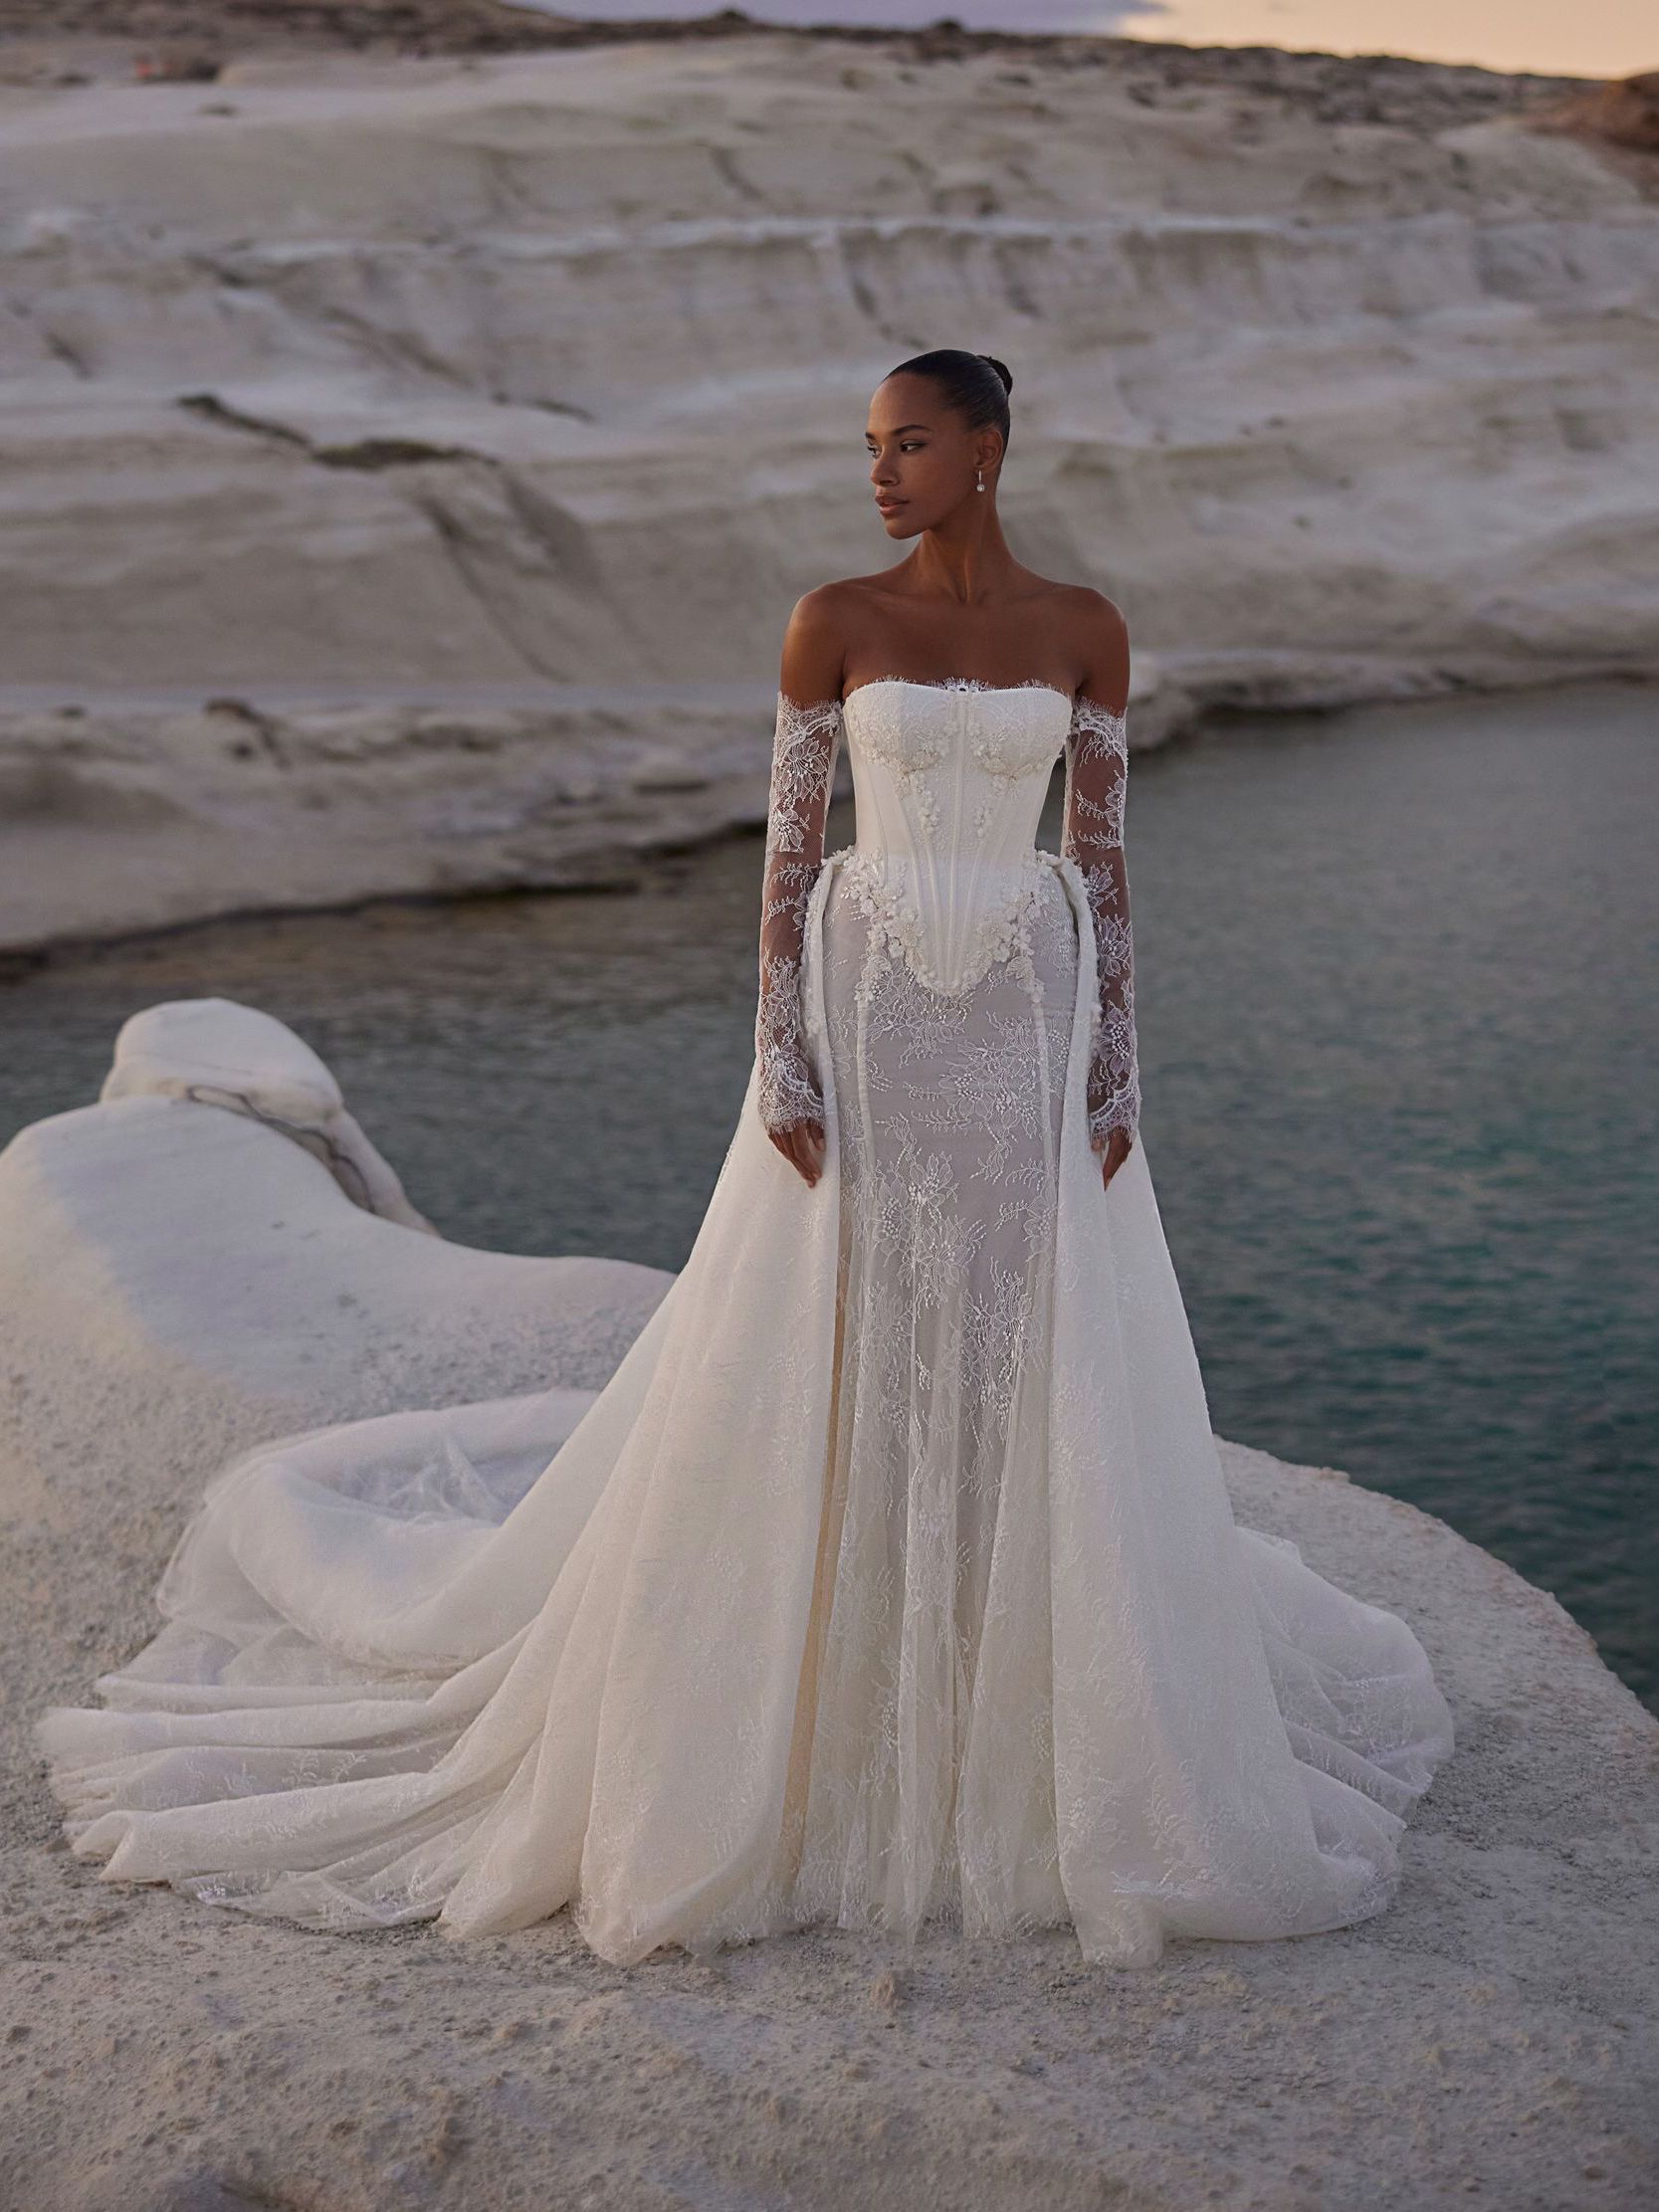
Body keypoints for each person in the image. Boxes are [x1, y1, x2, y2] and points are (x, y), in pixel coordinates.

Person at [36, 350, 1453, 1971]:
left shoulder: (1087, 626)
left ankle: (1013, 1675)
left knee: (1017, 1322)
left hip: (1027, 1007)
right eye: (870, 446)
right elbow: (788, 855)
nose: (881, 472)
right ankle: (823, 1688)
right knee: (845, 1325)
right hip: (868, 1007)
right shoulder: (832, 617)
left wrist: (1117, 1065)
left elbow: (1106, 865)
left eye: (911, 443)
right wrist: (780, 1048)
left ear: (987, 451)